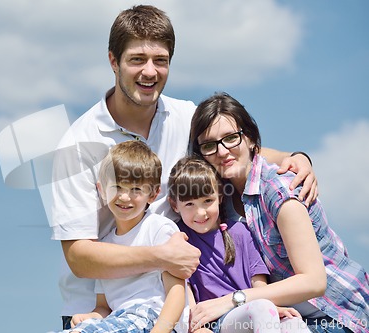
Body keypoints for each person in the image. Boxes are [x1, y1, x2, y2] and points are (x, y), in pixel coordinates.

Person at [51, 5, 318, 329]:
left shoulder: (184, 116)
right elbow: (79, 257)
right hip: (102, 312)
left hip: (176, 308)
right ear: (113, 61)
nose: (150, 71)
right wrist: (162, 255)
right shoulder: (78, 143)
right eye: (137, 59)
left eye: (160, 61)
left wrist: (294, 157)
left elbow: (230, 149)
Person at [187, 92, 369, 333]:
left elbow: (314, 281)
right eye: (210, 145)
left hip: (336, 313)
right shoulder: (219, 198)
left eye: (231, 138)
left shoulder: (280, 189)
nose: (222, 151)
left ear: (250, 139)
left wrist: (231, 300)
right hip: (284, 315)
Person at [168, 156, 311, 333]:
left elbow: (259, 283)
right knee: (262, 309)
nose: (200, 212)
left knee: (293, 323)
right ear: (174, 205)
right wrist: (194, 328)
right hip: (216, 322)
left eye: (207, 201)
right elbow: (184, 289)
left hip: (250, 309)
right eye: (189, 204)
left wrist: (275, 309)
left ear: (219, 196)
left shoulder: (240, 232)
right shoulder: (179, 238)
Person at [54, 140, 186, 333]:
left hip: (153, 318)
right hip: (119, 318)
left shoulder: (159, 228)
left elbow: (176, 293)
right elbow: (104, 307)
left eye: (136, 189)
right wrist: (90, 317)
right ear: (102, 190)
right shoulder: (105, 246)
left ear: (153, 194)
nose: (125, 197)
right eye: (117, 187)